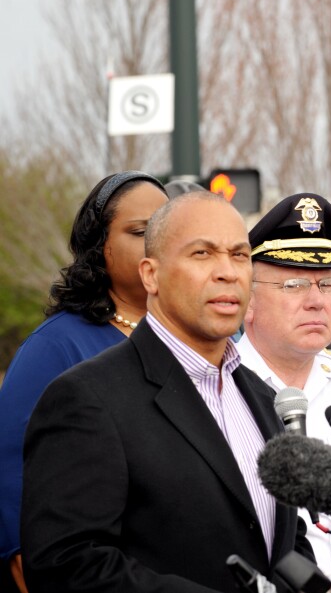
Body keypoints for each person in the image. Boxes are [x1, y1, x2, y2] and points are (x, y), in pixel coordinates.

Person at [20, 191, 312, 593]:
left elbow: (285, 540)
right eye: (202, 254)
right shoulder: (87, 399)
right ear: (150, 275)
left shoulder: (266, 400)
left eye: (239, 255)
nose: (227, 271)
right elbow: (67, 566)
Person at [0, 170, 167, 592]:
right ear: (100, 246)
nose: (157, 245)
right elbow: (12, 478)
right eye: (140, 231)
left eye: (166, 231)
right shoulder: (55, 347)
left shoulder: (191, 342)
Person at [237, 192, 331, 582]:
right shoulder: (222, 388)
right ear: (247, 300)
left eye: (326, 285)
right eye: (294, 285)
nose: (317, 301)